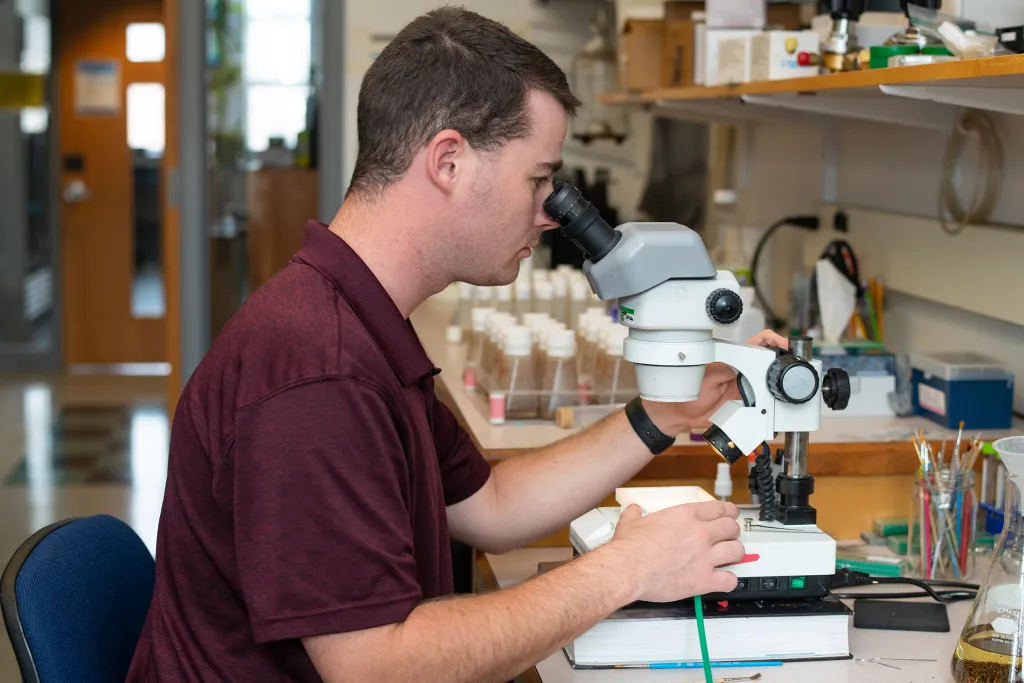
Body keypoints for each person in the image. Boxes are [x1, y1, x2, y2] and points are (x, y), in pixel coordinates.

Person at [127, 7, 787, 682]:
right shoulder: (320, 371)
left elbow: (492, 505)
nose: (548, 213)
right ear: (448, 160)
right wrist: (624, 568)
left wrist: (662, 415)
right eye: (538, 179)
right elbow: (375, 665)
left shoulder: (361, 321)